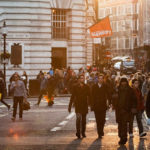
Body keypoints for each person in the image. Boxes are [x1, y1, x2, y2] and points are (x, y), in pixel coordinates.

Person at [115, 78, 137, 145]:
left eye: (124, 82)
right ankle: (121, 136)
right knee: (120, 123)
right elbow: (114, 97)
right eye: (122, 82)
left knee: (124, 124)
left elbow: (134, 100)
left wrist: (133, 107)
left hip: (126, 110)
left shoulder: (130, 90)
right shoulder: (117, 89)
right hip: (118, 109)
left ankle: (123, 138)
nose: (123, 83)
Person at [68, 75, 91, 139]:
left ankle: (83, 132)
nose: (82, 79)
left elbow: (90, 96)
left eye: (83, 78)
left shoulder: (87, 87)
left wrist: (91, 105)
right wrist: (69, 106)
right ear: (79, 79)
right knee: (78, 119)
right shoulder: (75, 87)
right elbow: (72, 96)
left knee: (83, 120)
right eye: (81, 78)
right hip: (78, 105)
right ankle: (78, 132)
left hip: (84, 105)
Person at [91, 74, 111, 139]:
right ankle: (99, 133)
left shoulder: (105, 86)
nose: (100, 79)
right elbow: (92, 96)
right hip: (96, 105)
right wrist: (92, 105)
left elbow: (108, 94)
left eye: (102, 78)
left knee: (102, 119)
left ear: (103, 79)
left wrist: (109, 102)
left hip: (103, 105)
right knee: (98, 120)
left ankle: (101, 130)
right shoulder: (94, 86)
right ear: (98, 79)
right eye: (99, 78)